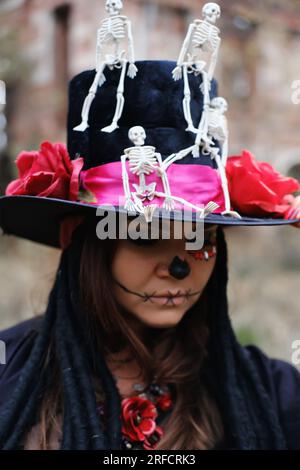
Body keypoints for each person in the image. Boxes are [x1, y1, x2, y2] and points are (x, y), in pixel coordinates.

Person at [0, 56, 300, 450]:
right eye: (144, 237)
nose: (179, 268)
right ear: (90, 244)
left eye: (201, 238)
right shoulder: (11, 374)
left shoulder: (271, 393)